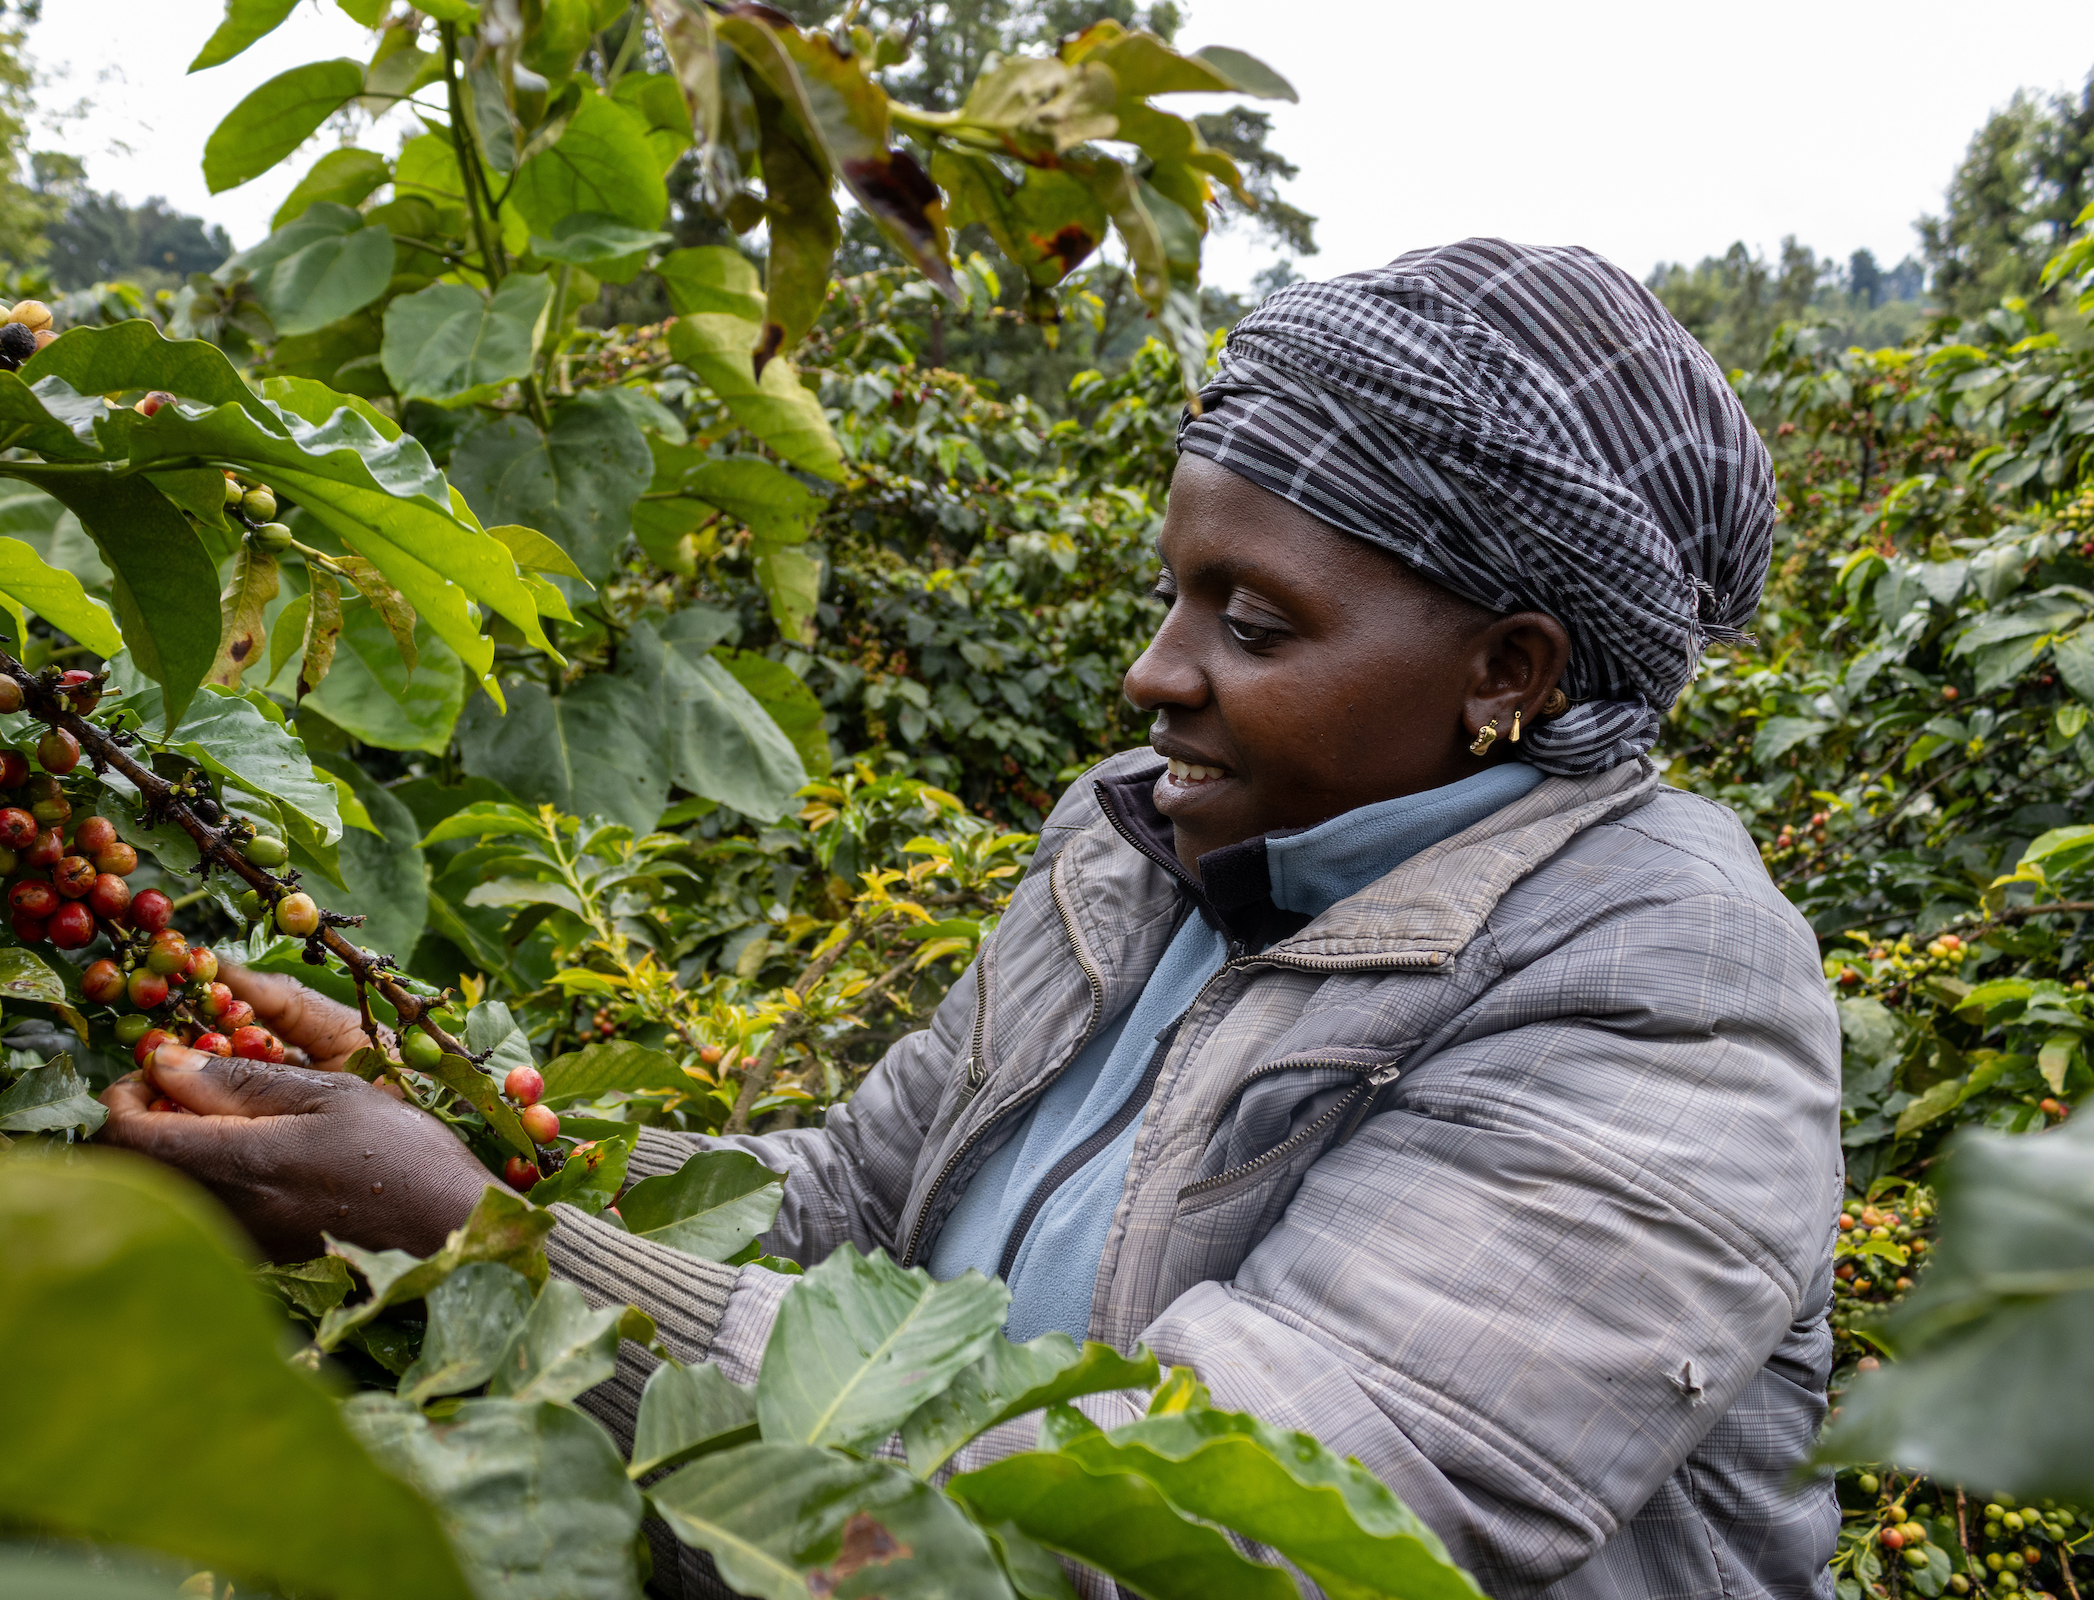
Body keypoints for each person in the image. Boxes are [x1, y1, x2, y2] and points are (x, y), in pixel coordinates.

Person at [99, 239, 1842, 1600]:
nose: (1155, 674)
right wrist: (472, 1137)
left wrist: (505, 1246)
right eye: (1176, 591)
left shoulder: (1666, 990)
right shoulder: (1144, 856)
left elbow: (1226, 1526)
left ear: (1510, 673)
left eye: (1255, 623)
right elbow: (852, 1215)